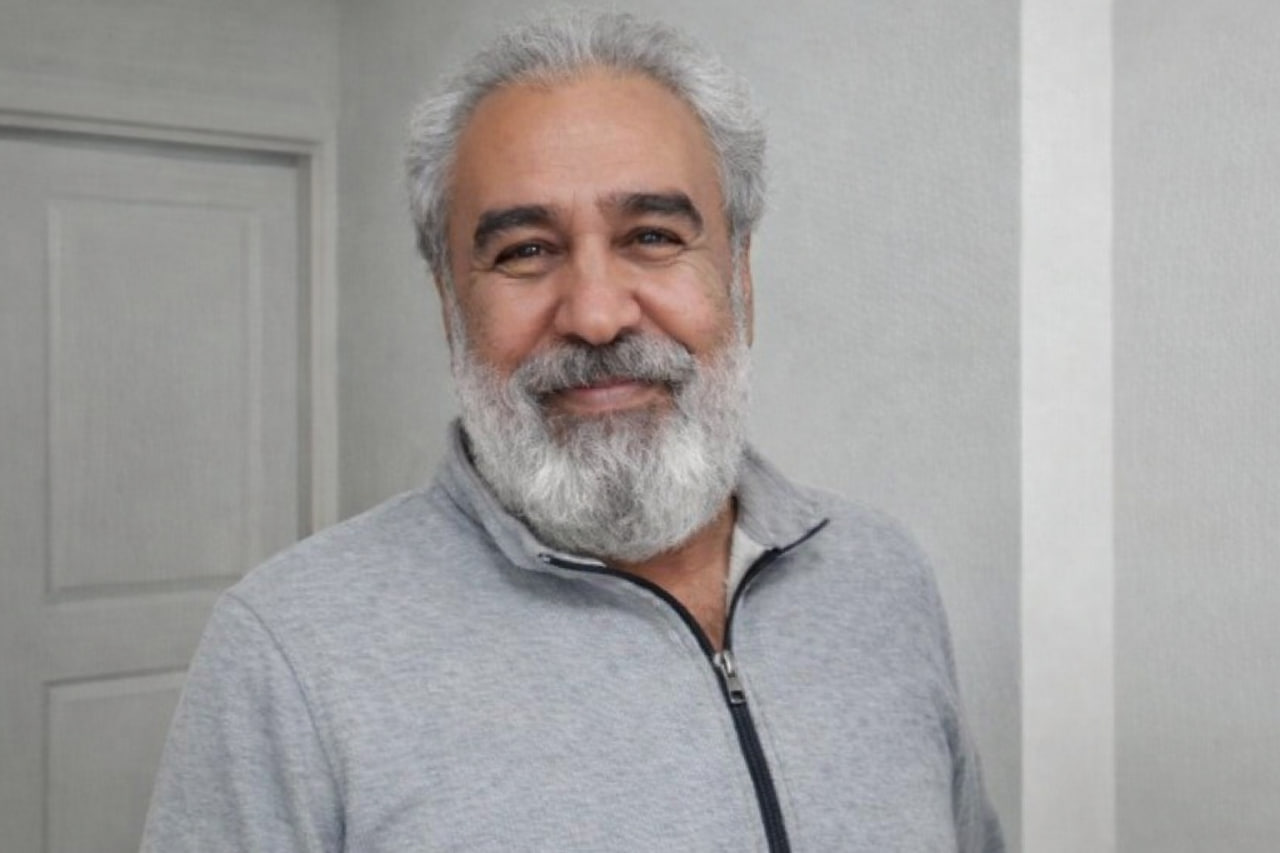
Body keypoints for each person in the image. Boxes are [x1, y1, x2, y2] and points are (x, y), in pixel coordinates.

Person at [142, 10, 1003, 852]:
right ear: (450, 301)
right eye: (525, 250)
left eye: (653, 236)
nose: (595, 315)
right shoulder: (291, 649)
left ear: (738, 275)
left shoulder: (879, 575)